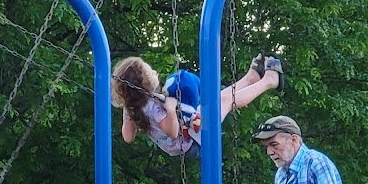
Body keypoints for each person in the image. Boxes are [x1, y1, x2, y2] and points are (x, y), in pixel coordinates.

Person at [112, 53, 283, 158]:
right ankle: (269, 81)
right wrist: (171, 110)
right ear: (143, 82)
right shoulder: (153, 108)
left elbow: (127, 137)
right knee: (224, 102)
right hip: (191, 142)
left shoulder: (133, 106)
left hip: (190, 131)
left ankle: (249, 79)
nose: (155, 73)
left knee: (215, 99)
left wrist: (128, 110)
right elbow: (172, 132)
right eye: (151, 72)